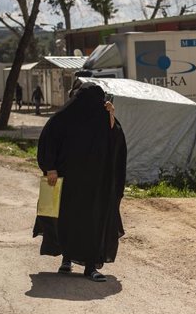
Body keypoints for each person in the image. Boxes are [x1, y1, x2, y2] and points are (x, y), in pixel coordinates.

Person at [33, 83, 127, 282]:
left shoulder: (103, 117)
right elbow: (48, 140)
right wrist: (50, 167)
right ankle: (66, 259)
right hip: (68, 183)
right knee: (67, 221)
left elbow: (115, 139)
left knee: (93, 223)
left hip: (95, 185)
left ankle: (91, 266)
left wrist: (111, 113)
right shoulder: (64, 118)